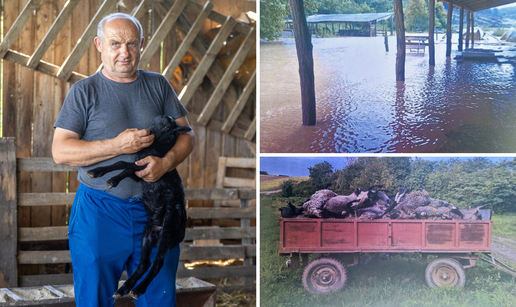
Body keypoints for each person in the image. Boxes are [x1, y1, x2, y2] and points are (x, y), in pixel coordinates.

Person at [52, 12, 195, 307]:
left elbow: (187, 135)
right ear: (99, 45)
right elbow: (61, 151)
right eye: (115, 43)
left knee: (158, 296)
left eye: (131, 44)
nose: (124, 52)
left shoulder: (158, 85)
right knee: (94, 298)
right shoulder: (83, 92)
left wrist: (166, 163)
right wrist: (118, 145)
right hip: (100, 212)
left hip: (155, 211)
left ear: (142, 43)